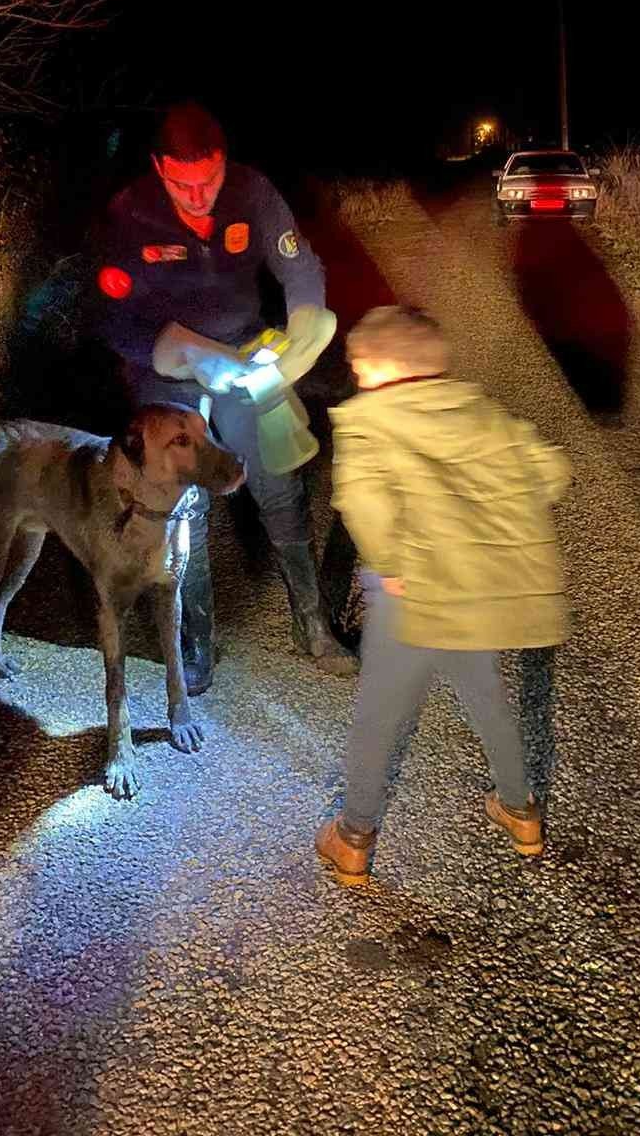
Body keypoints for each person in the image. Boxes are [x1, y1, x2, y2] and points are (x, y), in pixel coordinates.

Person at [93, 102, 355, 693]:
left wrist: (306, 317)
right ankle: (196, 643)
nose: (198, 196)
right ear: (160, 169)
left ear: (224, 162)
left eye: (208, 179)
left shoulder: (252, 192)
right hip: (170, 370)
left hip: (242, 354)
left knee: (278, 484)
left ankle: (311, 625)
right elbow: (112, 317)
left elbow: (299, 265)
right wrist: (171, 348)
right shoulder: (130, 212)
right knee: (185, 506)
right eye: (182, 183)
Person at [314, 305, 572, 883]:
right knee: (487, 696)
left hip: (411, 593)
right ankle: (520, 811)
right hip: (472, 588)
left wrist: (391, 563)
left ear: (383, 366)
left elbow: (361, 501)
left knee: (379, 715)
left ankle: (353, 837)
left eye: (359, 366)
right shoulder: (479, 410)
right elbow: (551, 472)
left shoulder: (369, 418)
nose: (356, 377)